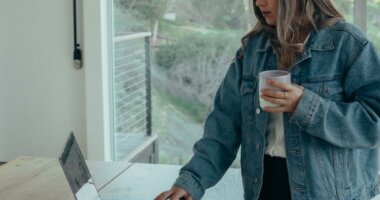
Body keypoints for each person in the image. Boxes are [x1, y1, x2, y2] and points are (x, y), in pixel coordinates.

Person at [155, 0, 380, 199]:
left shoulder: (348, 44)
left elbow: (374, 122)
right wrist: (192, 182)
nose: (258, 3)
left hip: (327, 192)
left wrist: (305, 106)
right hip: (263, 186)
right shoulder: (252, 51)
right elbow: (223, 127)